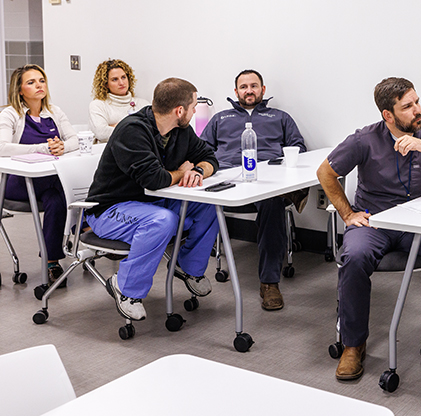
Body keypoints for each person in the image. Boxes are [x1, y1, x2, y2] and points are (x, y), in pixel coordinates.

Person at [317, 77, 421, 381]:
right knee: (354, 258)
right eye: (407, 106)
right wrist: (347, 214)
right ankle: (353, 344)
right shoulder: (364, 140)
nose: (417, 110)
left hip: (417, 221)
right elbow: (325, 173)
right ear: (388, 115)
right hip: (375, 221)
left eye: (417, 102)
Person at [85, 77, 220, 321]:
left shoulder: (181, 130)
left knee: (209, 206)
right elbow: (154, 180)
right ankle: (125, 289)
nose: (194, 111)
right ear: (180, 110)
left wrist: (198, 171)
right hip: (108, 209)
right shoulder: (132, 130)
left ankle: (188, 268)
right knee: (162, 220)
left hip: (149, 204)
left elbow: (210, 157)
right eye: (193, 107)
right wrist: (181, 172)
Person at [200, 69, 307, 311]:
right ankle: (191, 274)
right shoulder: (220, 118)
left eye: (254, 86)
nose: (249, 90)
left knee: (272, 204)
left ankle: (269, 283)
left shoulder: (279, 117)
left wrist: (277, 167)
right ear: (236, 91)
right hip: (227, 179)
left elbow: (298, 147)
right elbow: (202, 149)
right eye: (244, 86)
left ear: (263, 90)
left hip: (267, 181)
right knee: (194, 201)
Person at [0, 64, 78, 284]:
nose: (38, 85)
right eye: (31, 82)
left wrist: (63, 147)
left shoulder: (54, 111)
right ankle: (84, 226)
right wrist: (42, 147)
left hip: (48, 184)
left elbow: (74, 139)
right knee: (65, 186)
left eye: (41, 80)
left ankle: (51, 261)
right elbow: (2, 147)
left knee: (56, 198)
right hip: (18, 183)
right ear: (19, 90)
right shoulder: (10, 114)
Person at [89, 59, 148, 142]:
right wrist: (135, 127)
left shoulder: (143, 104)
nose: (121, 83)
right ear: (106, 84)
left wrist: (116, 126)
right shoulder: (98, 105)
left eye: (123, 77)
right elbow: (101, 133)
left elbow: (153, 130)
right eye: (115, 79)